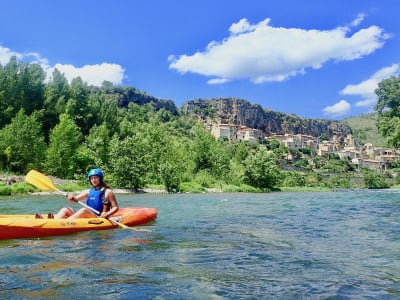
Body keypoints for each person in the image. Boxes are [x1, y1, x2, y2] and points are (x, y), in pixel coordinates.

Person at [53, 168, 119, 219]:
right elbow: (73, 200)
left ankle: (65, 223)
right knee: (65, 209)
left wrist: (107, 214)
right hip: (87, 215)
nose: (93, 180)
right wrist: (71, 197)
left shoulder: (108, 192)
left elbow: (115, 207)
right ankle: (54, 222)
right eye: (92, 178)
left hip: (98, 217)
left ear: (100, 179)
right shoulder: (89, 191)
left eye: (95, 178)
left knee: (84, 210)